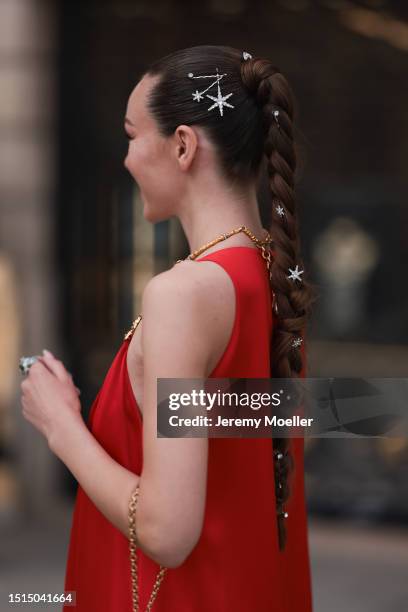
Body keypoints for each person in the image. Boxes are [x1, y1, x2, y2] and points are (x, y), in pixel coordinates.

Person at [20, 45, 316, 611]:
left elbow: (168, 531)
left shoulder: (183, 295)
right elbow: (242, 464)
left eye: (133, 136)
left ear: (182, 146)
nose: (127, 158)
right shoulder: (275, 279)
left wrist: (61, 425)